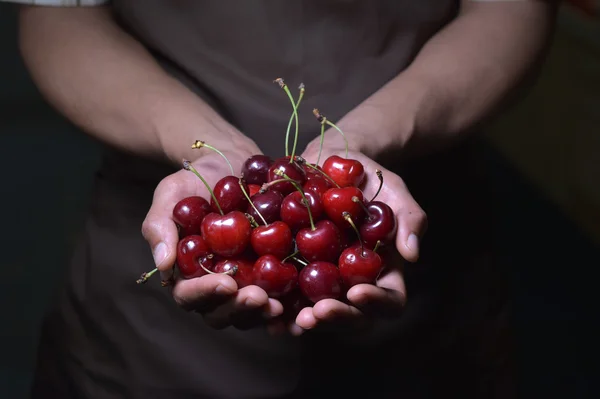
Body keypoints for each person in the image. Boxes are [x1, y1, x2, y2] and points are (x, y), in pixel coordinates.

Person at [7, 0, 557, 397]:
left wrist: (365, 137)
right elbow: (60, 13)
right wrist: (203, 146)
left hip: (429, 283)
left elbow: (514, 9)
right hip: (150, 300)